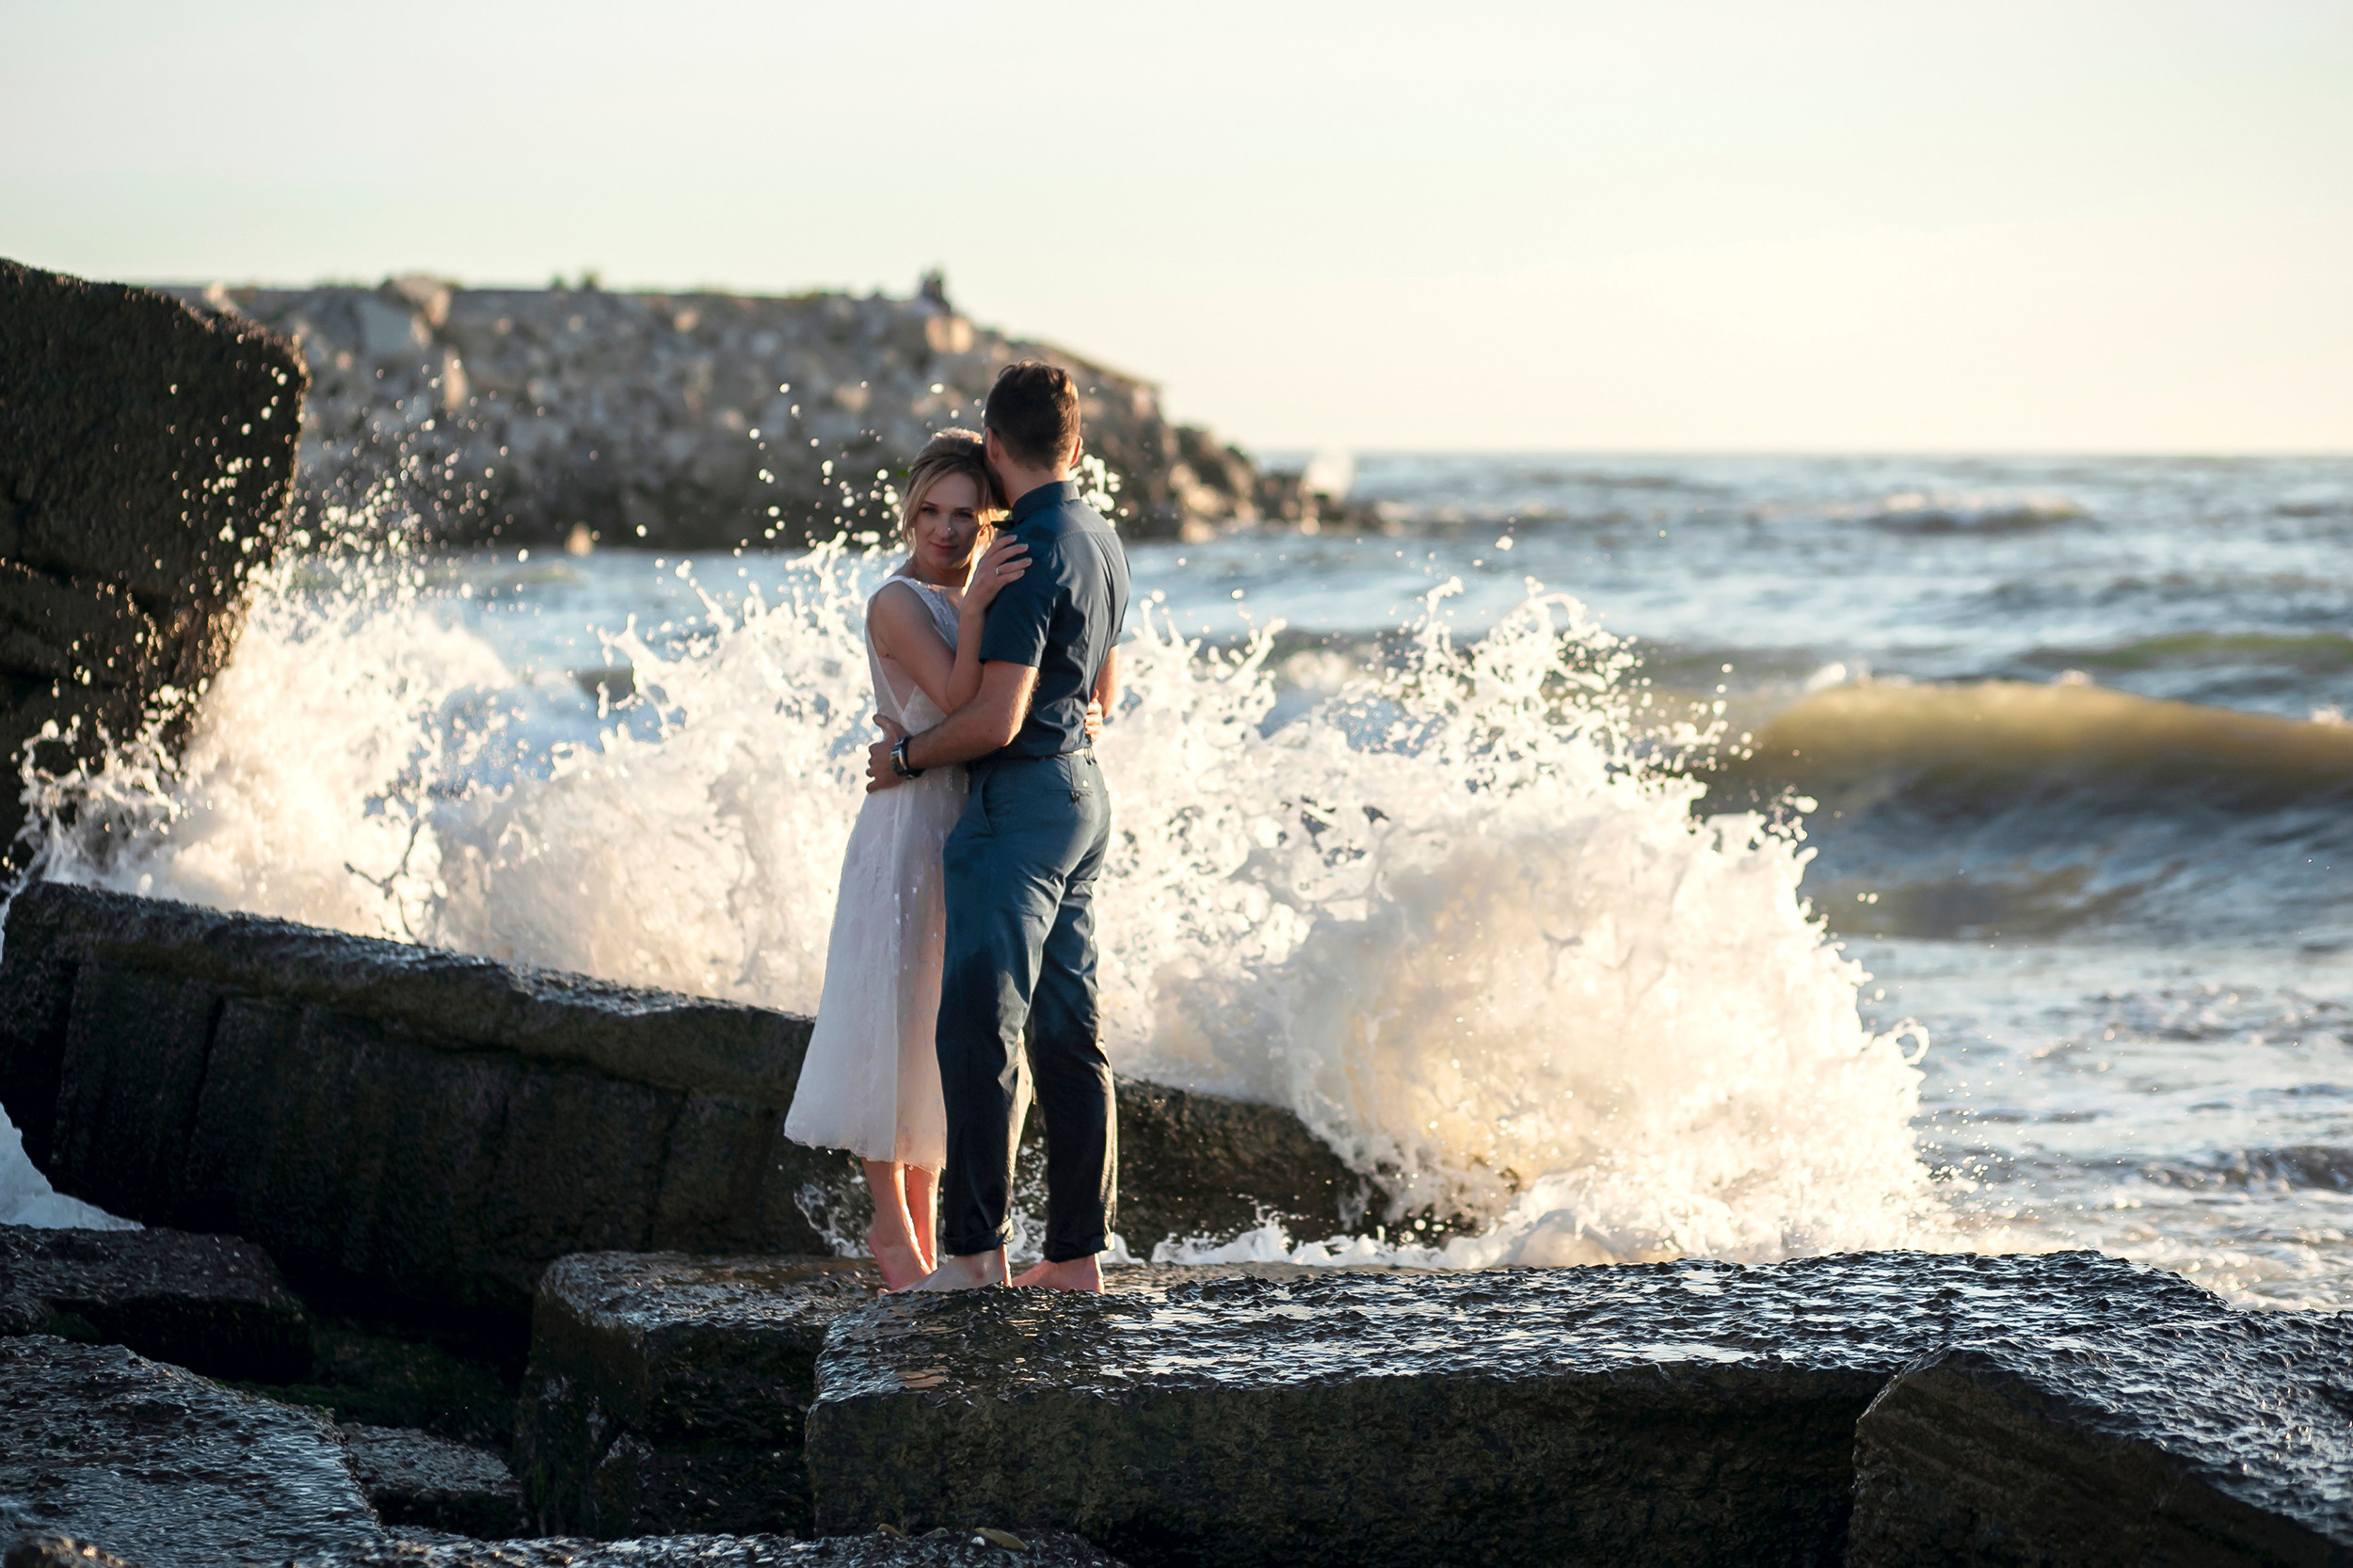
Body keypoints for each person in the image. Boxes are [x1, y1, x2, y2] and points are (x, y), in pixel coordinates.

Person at [865, 361, 1128, 1293]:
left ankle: (974, 1253)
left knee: (980, 1030)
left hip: (1015, 808)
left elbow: (992, 720)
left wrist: (900, 760)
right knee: (1069, 1033)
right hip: (1081, 798)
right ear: (1075, 445)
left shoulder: (1020, 549)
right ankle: (1073, 1256)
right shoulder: (1098, 534)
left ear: (990, 445)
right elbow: (1108, 687)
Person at [783, 429, 1036, 1290]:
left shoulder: (983, 591)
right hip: (902, 826)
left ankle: (925, 1229)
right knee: (884, 1015)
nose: (945, 530)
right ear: (909, 510)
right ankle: (891, 1230)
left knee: (938, 1024)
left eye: (966, 515)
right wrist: (973, 613)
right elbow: (962, 696)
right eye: (930, 511)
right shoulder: (898, 600)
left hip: (961, 817)